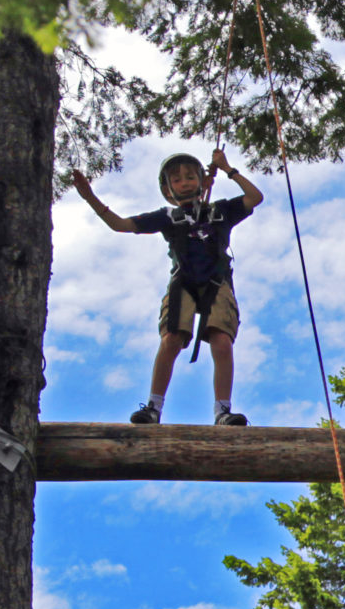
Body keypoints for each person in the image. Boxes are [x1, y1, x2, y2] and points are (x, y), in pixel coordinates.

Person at [69, 149, 265, 425]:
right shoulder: (168, 217)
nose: (184, 182)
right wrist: (90, 197)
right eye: (176, 180)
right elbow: (120, 224)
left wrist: (228, 169)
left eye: (189, 177)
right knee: (171, 339)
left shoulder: (219, 211)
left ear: (204, 182)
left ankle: (223, 410)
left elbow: (255, 197)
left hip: (216, 282)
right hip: (182, 282)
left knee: (222, 341)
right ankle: (153, 407)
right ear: (167, 189)